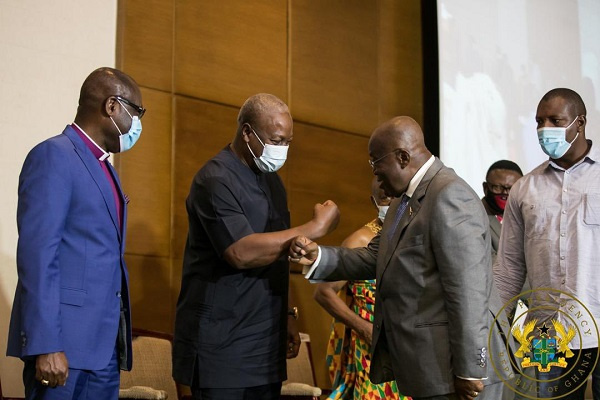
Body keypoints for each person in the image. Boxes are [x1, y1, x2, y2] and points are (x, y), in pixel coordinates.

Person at [290, 116, 510, 400]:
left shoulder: (450, 195)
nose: (375, 174)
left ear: (403, 157)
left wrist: (470, 369)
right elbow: (374, 256)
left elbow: (468, 290)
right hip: (430, 370)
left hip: (459, 372)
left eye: (376, 163)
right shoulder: (402, 203)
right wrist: (317, 255)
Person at [172, 93, 339, 400]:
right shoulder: (214, 179)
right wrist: (315, 227)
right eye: (276, 140)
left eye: (288, 141)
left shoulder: (272, 182)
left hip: (264, 344)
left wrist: (289, 314)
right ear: (247, 132)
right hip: (220, 347)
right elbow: (240, 252)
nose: (282, 149)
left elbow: (279, 252)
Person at [6, 67, 145, 399]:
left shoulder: (106, 169)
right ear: (112, 106)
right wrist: (46, 344)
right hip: (62, 349)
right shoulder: (54, 155)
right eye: (136, 113)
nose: (138, 125)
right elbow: (38, 256)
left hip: (103, 351)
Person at [494, 88, 600, 399]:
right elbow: (509, 268)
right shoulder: (524, 188)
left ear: (579, 123)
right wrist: (498, 326)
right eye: (540, 121)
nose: (545, 129)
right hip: (545, 330)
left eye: (556, 120)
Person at [314, 178, 409, 400]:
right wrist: (364, 328)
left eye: (397, 196)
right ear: (373, 201)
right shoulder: (360, 240)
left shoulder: (414, 236)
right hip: (372, 347)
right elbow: (323, 292)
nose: (392, 202)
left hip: (408, 345)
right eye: (385, 198)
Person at [481, 160, 523, 260]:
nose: (505, 193)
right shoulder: (473, 218)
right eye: (498, 187)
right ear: (486, 188)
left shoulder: (526, 216)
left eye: (513, 188)